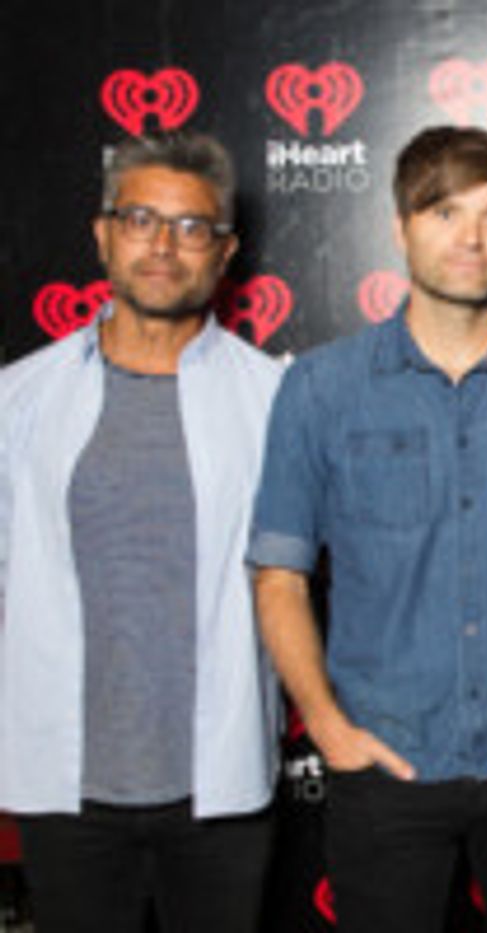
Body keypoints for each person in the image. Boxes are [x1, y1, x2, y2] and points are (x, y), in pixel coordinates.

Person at [248, 125, 487, 933]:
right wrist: (328, 724)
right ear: (400, 227)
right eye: (446, 211)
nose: (472, 237)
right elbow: (278, 573)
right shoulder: (319, 390)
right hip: (384, 768)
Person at [0, 131, 282, 932]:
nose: (163, 244)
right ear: (102, 235)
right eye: (140, 219)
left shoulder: (275, 400)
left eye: (191, 227)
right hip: (67, 790)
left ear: (225, 253)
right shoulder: (17, 401)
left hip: (222, 787)